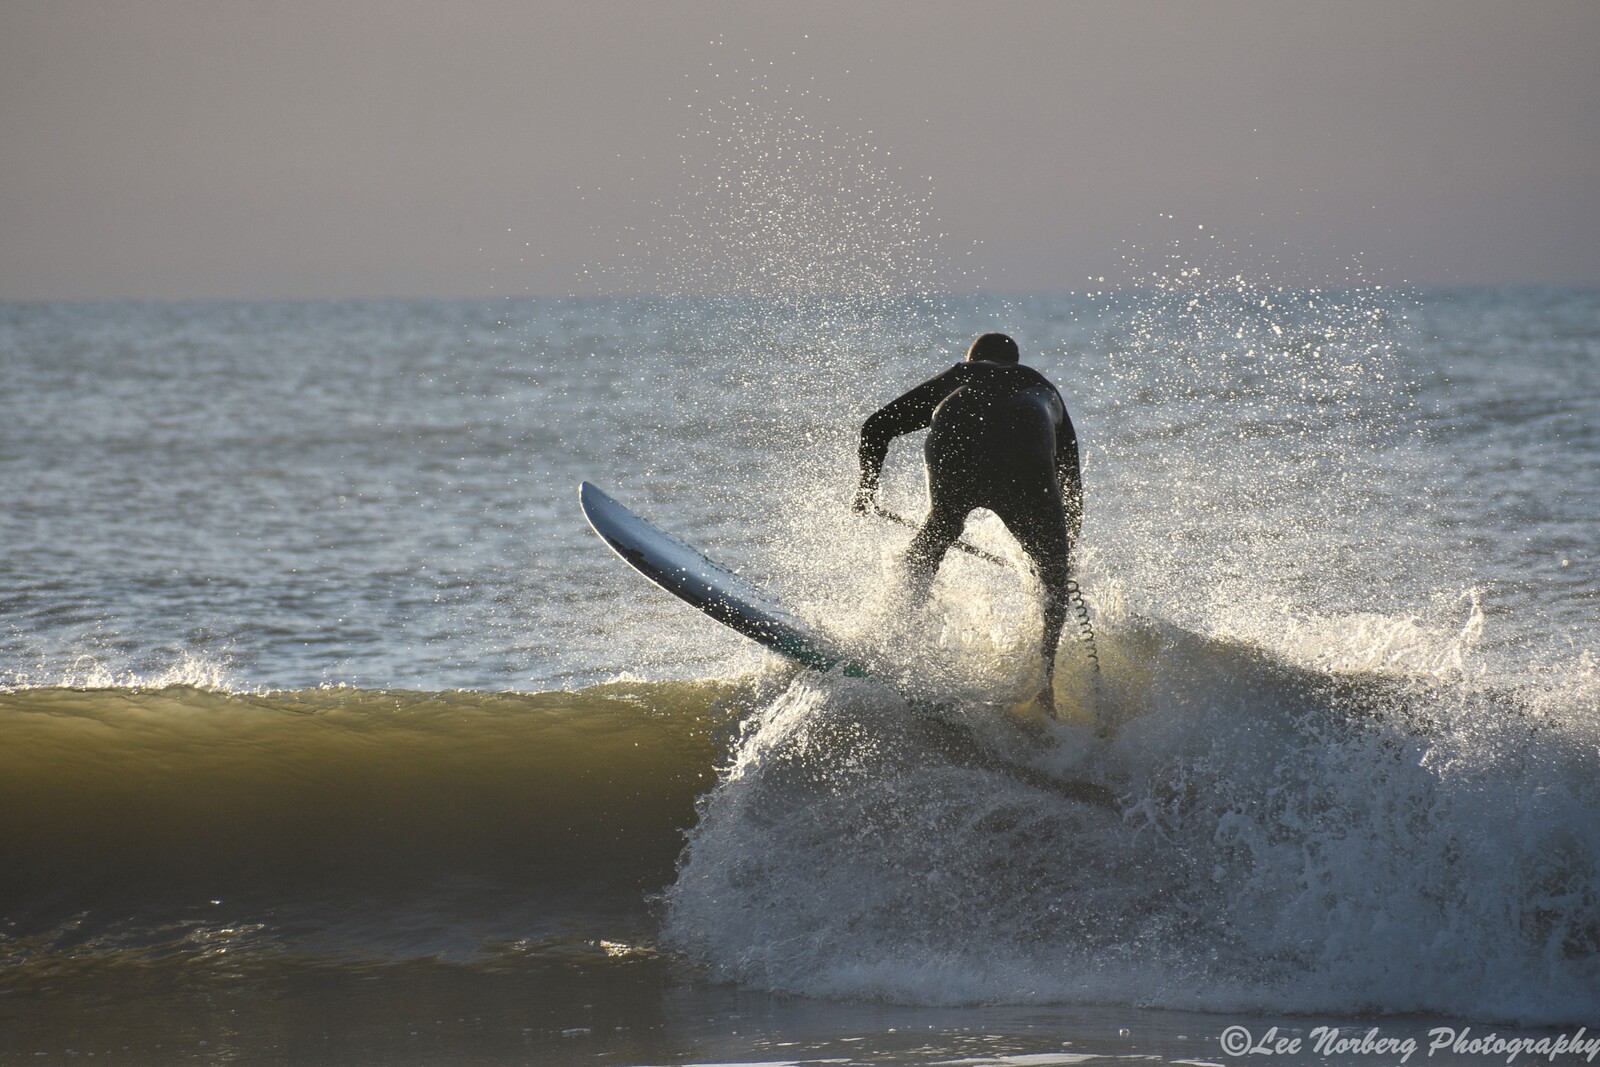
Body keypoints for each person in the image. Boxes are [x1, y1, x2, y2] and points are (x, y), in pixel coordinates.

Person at [851, 332, 1082, 716]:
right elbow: (1071, 483)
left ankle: (890, 644)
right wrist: (1061, 556)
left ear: (975, 358)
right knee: (1053, 576)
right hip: (1027, 438)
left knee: (936, 536)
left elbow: (876, 427)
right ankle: (1045, 691)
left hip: (960, 429)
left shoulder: (964, 374)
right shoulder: (1044, 389)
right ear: (1013, 362)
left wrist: (867, 489)